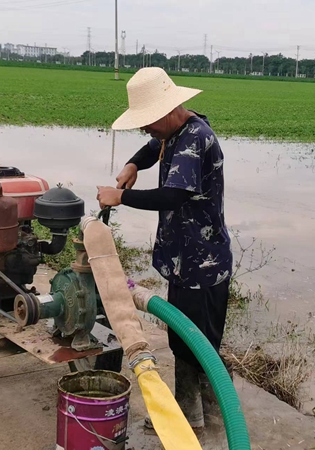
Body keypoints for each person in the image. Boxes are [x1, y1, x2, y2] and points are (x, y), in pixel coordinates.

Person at [96, 67, 233, 432]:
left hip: (201, 265)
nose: (147, 130)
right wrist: (132, 164)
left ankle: (215, 423)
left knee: (200, 346)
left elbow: (173, 196)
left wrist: (120, 196)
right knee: (185, 342)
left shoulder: (194, 139)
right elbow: (152, 146)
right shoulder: (176, 131)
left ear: (167, 111)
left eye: (148, 123)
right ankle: (193, 418)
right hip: (185, 261)